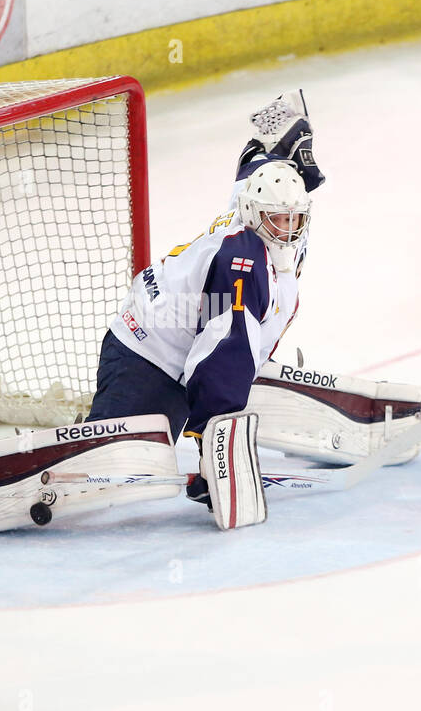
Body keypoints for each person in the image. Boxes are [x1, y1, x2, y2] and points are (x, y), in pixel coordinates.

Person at [85, 90, 323, 508]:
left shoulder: (260, 201)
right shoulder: (241, 262)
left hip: (176, 337)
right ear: (254, 214)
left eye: (294, 218)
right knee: (113, 474)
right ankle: (58, 451)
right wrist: (216, 454)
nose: (287, 228)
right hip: (149, 356)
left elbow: (258, 153)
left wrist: (294, 133)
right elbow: (220, 353)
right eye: (278, 219)